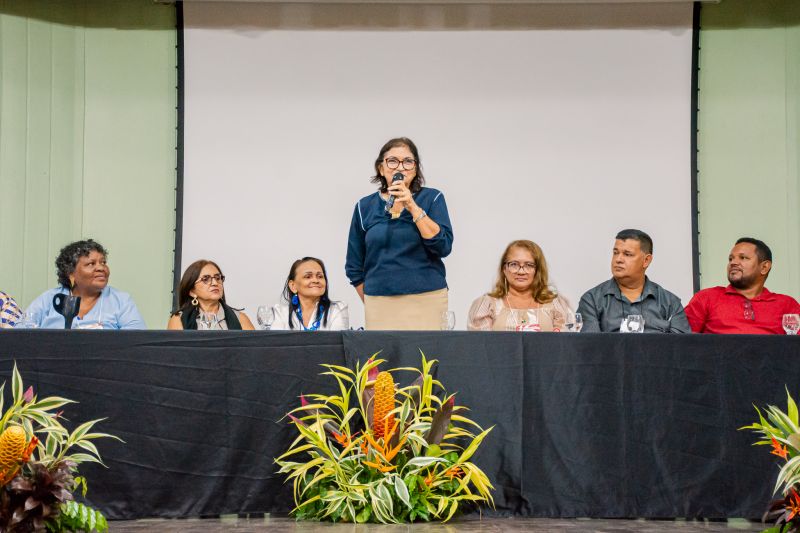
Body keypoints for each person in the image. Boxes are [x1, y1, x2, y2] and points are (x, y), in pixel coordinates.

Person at [345, 137, 453, 330]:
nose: (400, 167)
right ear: (381, 168)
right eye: (392, 161)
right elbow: (354, 266)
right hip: (379, 301)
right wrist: (372, 299)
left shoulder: (432, 198)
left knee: (428, 350)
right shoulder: (364, 207)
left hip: (427, 298)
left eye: (408, 161)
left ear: (415, 169)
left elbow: (443, 246)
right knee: (383, 351)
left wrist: (412, 205)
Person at [577, 229, 690, 333]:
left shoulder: (670, 303)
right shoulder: (592, 300)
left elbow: (680, 346)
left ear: (646, 260)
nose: (618, 259)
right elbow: (591, 345)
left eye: (627, 254)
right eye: (615, 253)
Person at [21, 239, 145, 329]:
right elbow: (20, 334)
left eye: (103, 262)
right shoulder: (49, 300)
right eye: (91, 264)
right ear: (71, 273)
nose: (101, 268)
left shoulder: (121, 301)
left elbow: (136, 341)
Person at [684, 237, 800, 334]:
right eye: (731, 259)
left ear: (764, 267)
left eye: (743, 258)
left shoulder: (787, 305)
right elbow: (682, 342)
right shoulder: (706, 298)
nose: (733, 263)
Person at [467, 240, 572, 331]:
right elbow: (481, 345)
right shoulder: (487, 305)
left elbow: (566, 343)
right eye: (514, 264)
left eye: (529, 265)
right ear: (504, 269)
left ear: (538, 270)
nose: (521, 272)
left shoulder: (556, 305)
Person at [168, 259, 255, 330]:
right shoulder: (179, 320)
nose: (215, 283)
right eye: (205, 279)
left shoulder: (240, 319)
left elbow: (254, 346)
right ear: (192, 291)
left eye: (218, 278)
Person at [269, 257, 349, 331]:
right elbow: (275, 341)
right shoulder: (280, 313)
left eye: (320, 276)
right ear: (293, 286)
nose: (316, 280)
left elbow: (336, 341)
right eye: (308, 276)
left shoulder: (337, 309)